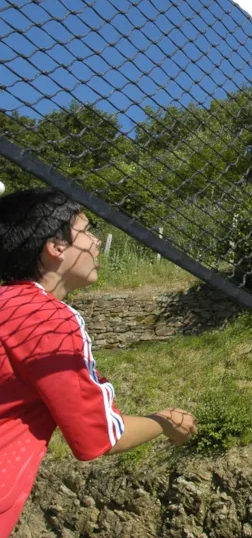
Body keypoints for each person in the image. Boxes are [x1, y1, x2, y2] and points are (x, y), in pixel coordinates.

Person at [0, 188, 197, 537]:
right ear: (56, 247)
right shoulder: (50, 320)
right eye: (87, 230)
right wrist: (165, 421)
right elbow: (98, 436)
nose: (95, 242)